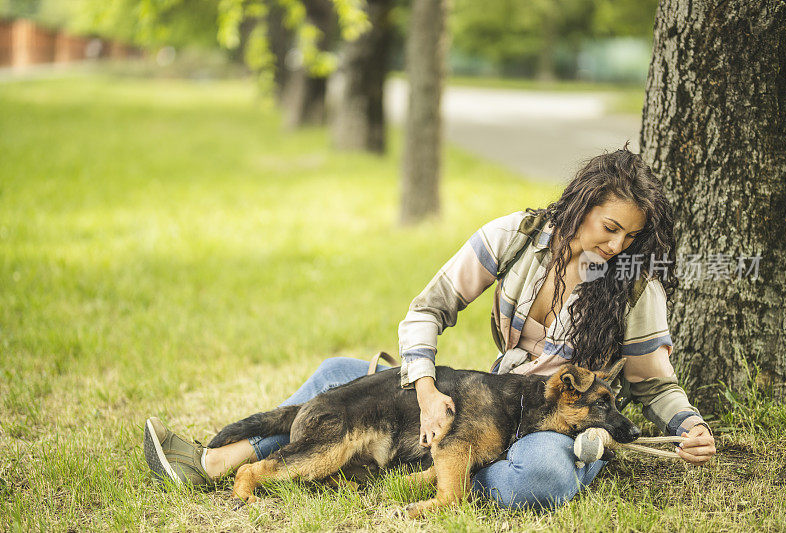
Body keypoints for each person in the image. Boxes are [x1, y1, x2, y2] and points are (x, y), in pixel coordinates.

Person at [144, 147, 716, 510]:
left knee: (542, 477)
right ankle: (225, 456)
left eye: (630, 238)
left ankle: (431, 469)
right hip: (489, 402)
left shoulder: (635, 286)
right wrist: (423, 388)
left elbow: (654, 383)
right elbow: (427, 309)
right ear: (582, 203)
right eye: (610, 228)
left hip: (544, 427)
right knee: (337, 375)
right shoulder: (516, 237)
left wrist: (688, 423)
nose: (617, 247)